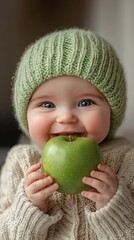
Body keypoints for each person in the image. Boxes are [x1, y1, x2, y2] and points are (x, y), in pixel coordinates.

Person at [0, 28, 134, 239]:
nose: (65, 117)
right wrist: (29, 207)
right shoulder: (21, 163)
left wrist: (114, 205)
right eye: (47, 104)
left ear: (112, 109)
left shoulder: (127, 161)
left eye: (85, 102)